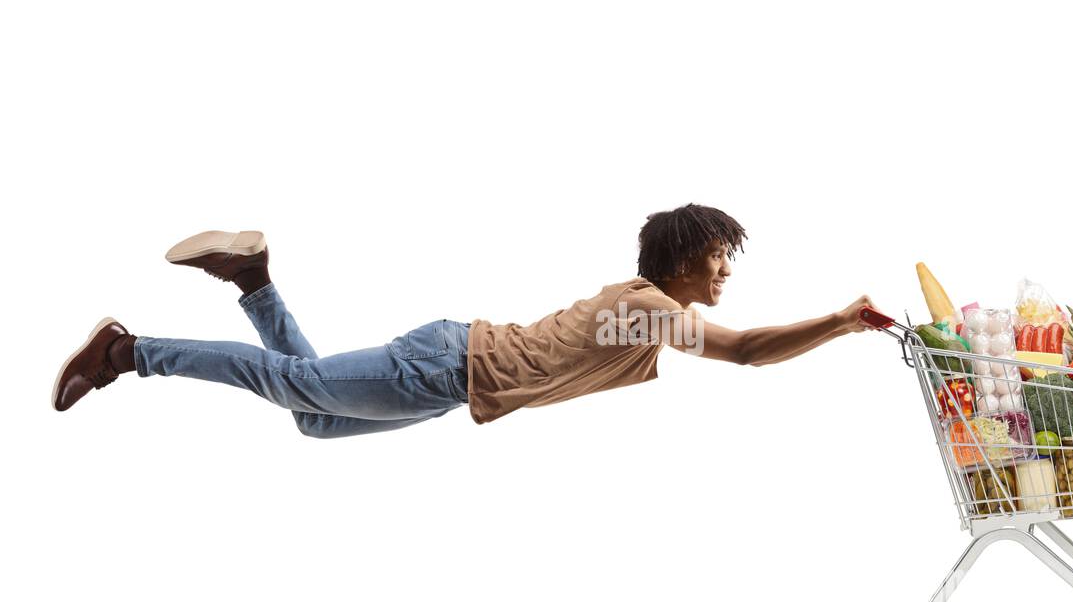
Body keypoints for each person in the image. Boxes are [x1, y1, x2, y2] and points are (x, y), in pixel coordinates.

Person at [52, 204, 881, 437]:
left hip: (454, 382)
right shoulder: (648, 306)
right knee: (292, 384)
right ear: (679, 257)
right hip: (445, 365)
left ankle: (254, 277)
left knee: (310, 417)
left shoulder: (646, 315)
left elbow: (736, 349)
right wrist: (840, 323)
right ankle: (131, 352)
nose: (728, 268)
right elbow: (742, 353)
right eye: (718, 253)